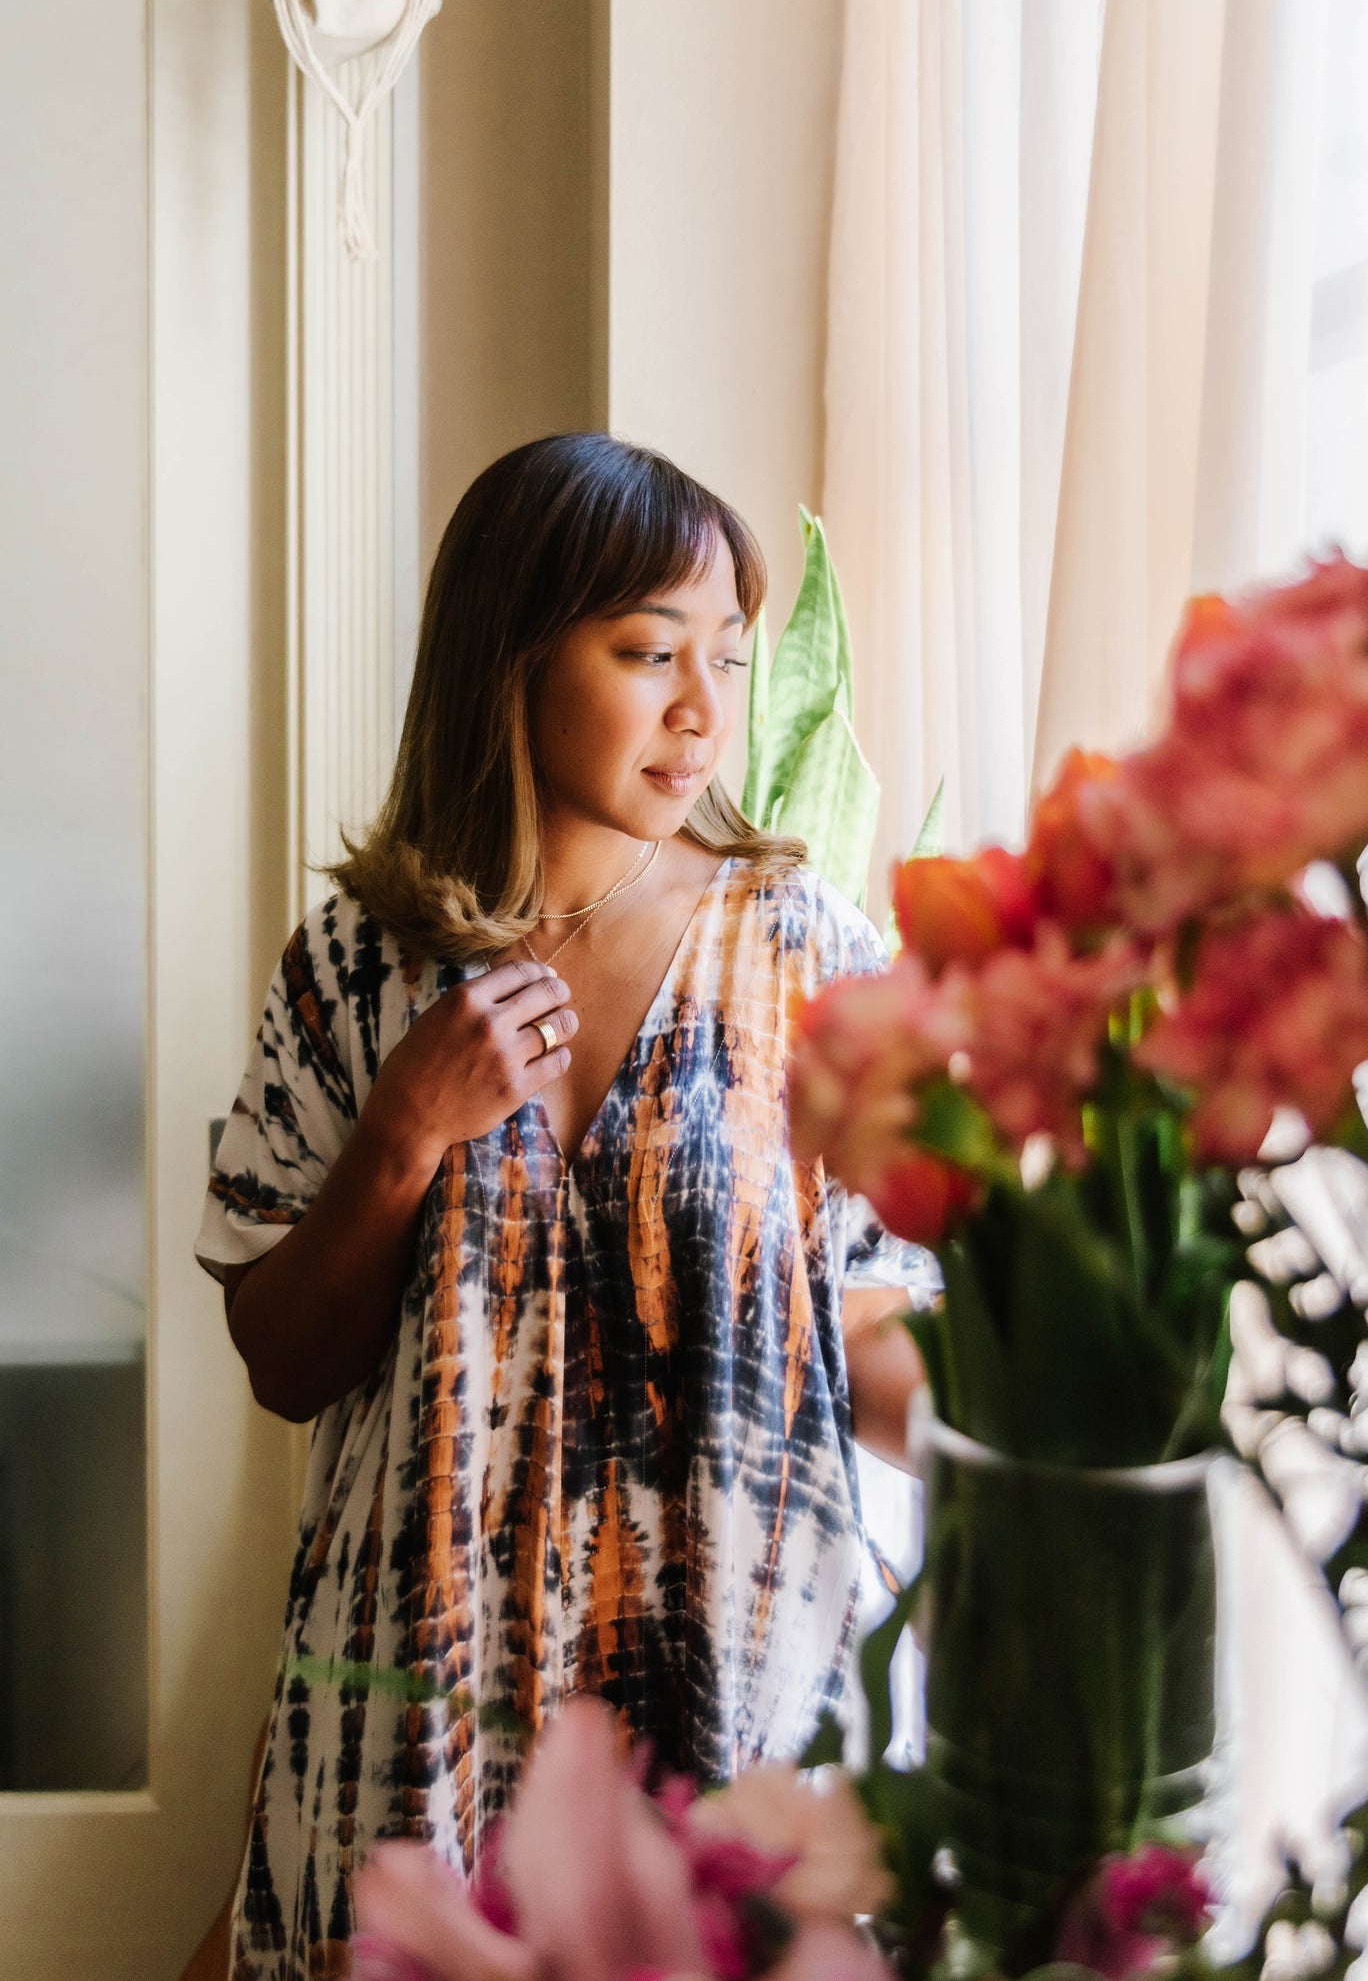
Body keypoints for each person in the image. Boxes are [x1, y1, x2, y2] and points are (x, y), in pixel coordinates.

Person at [196, 434, 933, 1980]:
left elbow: (866, 1324)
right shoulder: (356, 966)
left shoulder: (810, 956)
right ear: (513, 656)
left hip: (736, 1713)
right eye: (648, 651)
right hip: (421, 1718)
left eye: (727, 657)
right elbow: (282, 1361)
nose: (702, 708)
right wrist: (405, 1127)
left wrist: (1075, 1428)